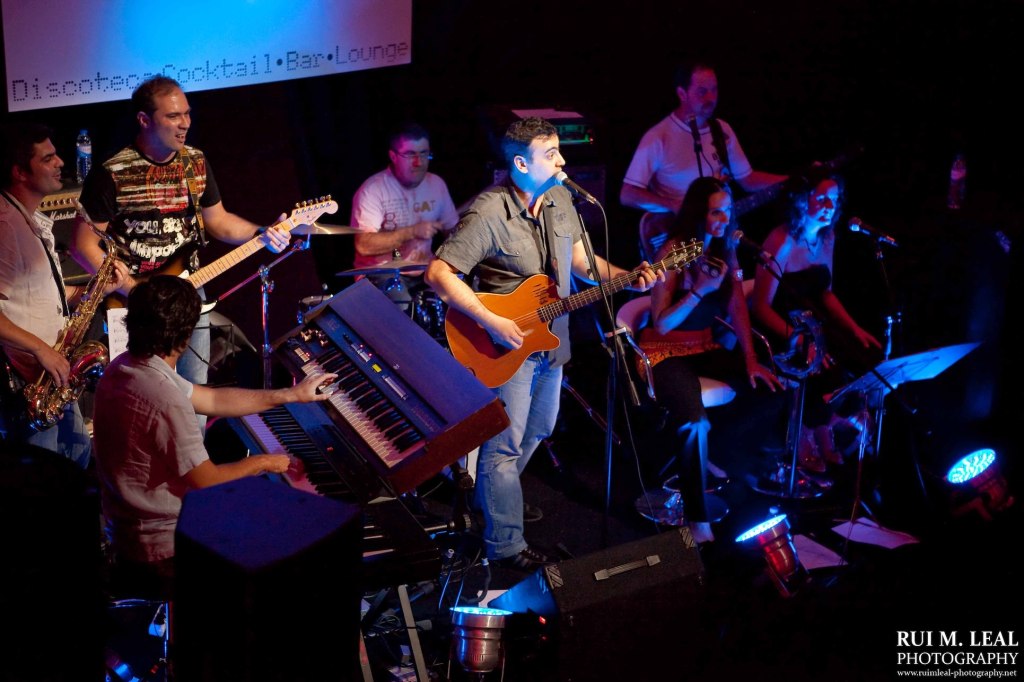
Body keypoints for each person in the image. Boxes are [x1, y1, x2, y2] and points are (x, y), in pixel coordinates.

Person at [425, 117, 662, 570]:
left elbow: (580, 262)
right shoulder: (488, 212)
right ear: (520, 164)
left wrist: (628, 278)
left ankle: (493, 504)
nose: (562, 160)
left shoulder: (559, 198)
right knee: (504, 446)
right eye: (550, 154)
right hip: (505, 347)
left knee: (539, 430)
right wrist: (493, 321)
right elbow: (438, 273)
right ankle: (505, 547)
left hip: (552, 342)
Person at [91, 275, 335, 599]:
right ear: (185, 336)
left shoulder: (125, 367)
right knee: (288, 539)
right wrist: (266, 462)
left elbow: (213, 399)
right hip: (163, 550)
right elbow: (209, 482)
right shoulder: (163, 397)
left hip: (128, 535)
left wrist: (290, 395)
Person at [71, 75, 292, 416]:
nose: (185, 123)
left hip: (188, 292)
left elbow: (219, 221)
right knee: (139, 398)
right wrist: (133, 289)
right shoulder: (112, 172)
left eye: (187, 114)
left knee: (193, 392)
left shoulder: (195, 162)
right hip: (134, 302)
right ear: (144, 120)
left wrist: (262, 232)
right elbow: (82, 245)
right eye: (173, 116)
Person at [641, 176, 783, 543]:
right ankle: (697, 519)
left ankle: (720, 459)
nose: (724, 219)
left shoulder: (725, 250)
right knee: (694, 422)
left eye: (728, 211)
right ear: (698, 213)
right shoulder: (673, 250)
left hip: (704, 347)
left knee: (773, 390)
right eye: (716, 212)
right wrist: (700, 292)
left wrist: (750, 359)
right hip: (665, 350)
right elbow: (662, 322)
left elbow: (738, 308)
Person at [0, 122, 127, 467]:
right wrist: (41, 350)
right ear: (19, 172)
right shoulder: (5, 226)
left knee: (78, 455)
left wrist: (94, 290)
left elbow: (41, 293)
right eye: (48, 158)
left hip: (54, 372)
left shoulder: (29, 220)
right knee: (44, 478)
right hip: (30, 381)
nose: (60, 163)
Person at [749, 172, 882, 472]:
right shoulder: (781, 240)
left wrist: (854, 328)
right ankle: (808, 433)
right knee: (820, 365)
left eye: (833, 200)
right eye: (821, 198)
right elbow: (760, 307)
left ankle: (826, 428)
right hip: (783, 326)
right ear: (802, 200)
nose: (829, 207)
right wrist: (798, 340)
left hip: (814, 324)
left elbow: (825, 293)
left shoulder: (827, 237)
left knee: (861, 354)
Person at [620, 59, 787, 216]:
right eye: (702, 92)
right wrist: (673, 205)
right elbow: (627, 194)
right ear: (682, 93)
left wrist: (790, 181)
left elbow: (747, 179)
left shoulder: (722, 130)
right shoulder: (658, 137)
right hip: (680, 231)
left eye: (714, 90)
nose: (711, 98)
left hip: (718, 229)